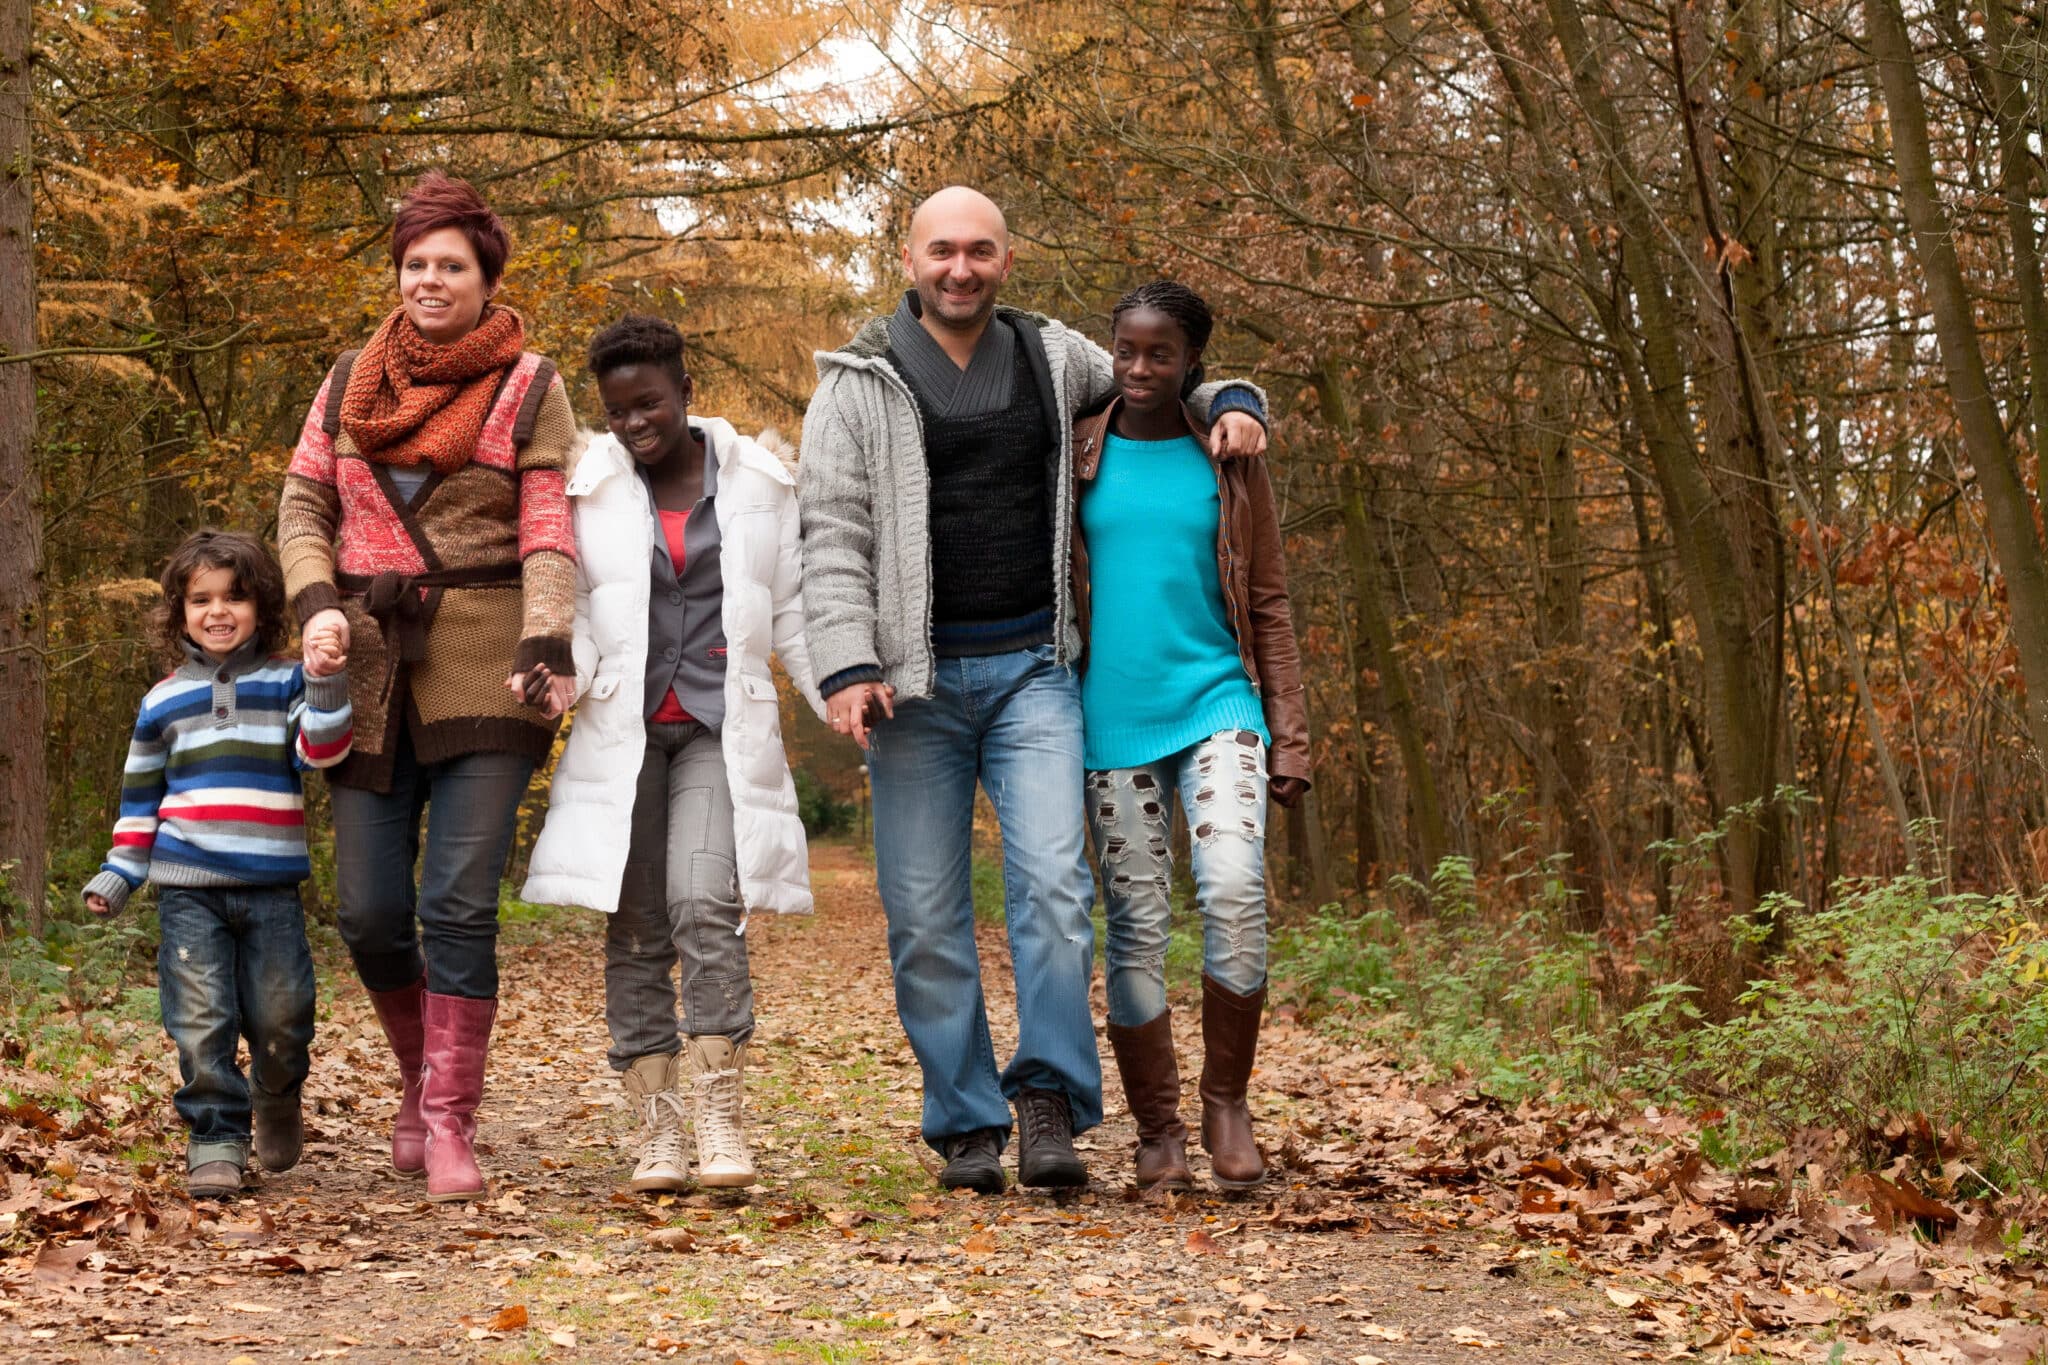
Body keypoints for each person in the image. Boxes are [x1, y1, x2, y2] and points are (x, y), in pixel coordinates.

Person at [798, 186, 1269, 1193]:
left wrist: (1238, 401)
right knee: (923, 915)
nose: (958, 269)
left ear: (1004, 260)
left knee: (1055, 893)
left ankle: (1049, 1095)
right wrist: (845, 664)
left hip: (1034, 674)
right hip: (911, 691)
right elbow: (831, 534)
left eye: (978, 251)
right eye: (940, 252)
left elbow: (1164, 379)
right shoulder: (857, 380)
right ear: (908, 258)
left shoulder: (1056, 360)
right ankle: (965, 1117)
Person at [276, 171, 580, 1202]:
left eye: (451, 264)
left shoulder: (531, 384)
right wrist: (315, 599)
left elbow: (547, 527)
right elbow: (301, 505)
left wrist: (550, 637)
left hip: (489, 659)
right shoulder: (345, 381)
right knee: (365, 908)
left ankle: (449, 1120)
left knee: (455, 898)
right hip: (360, 661)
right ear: (397, 274)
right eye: (416, 264)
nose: (430, 280)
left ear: (487, 277)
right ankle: (419, 1078)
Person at [522, 315, 825, 1193]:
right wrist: (557, 678)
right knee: (636, 926)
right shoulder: (586, 491)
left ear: (687, 390)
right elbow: (572, 614)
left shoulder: (764, 483)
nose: (634, 424)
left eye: (648, 403)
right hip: (622, 732)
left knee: (701, 897)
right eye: (617, 411)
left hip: (717, 728)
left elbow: (795, 609)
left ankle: (721, 1109)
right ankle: (658, 1125)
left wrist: (837, 689)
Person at [1071, 281, 1311, 1192]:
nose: (1138, 368)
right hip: (1113, 721)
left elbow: (1271, 604)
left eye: (1160, 353)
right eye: (1126, 350)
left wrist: (1290, 736)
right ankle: (1159, 1129)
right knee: (1134, 920)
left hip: (1219, 703)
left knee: (1235, 885)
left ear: (1192, 363)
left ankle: (1226, 1101)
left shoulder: (1229, 460)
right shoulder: (1080, 448)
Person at [82, 530, 354, 1200]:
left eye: (234, 595)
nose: (218, 610)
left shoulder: (287, 680)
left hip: (270, 887)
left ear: (261, 604)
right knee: (201, 1020)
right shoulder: (162, 700)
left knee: (284, 1015)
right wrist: (120, 871)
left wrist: (324, 679)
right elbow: (141, 798)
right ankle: (215, 1136)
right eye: (201, 598)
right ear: (179, 612)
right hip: (187, 889)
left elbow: (321, 753)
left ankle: (278, 1092)